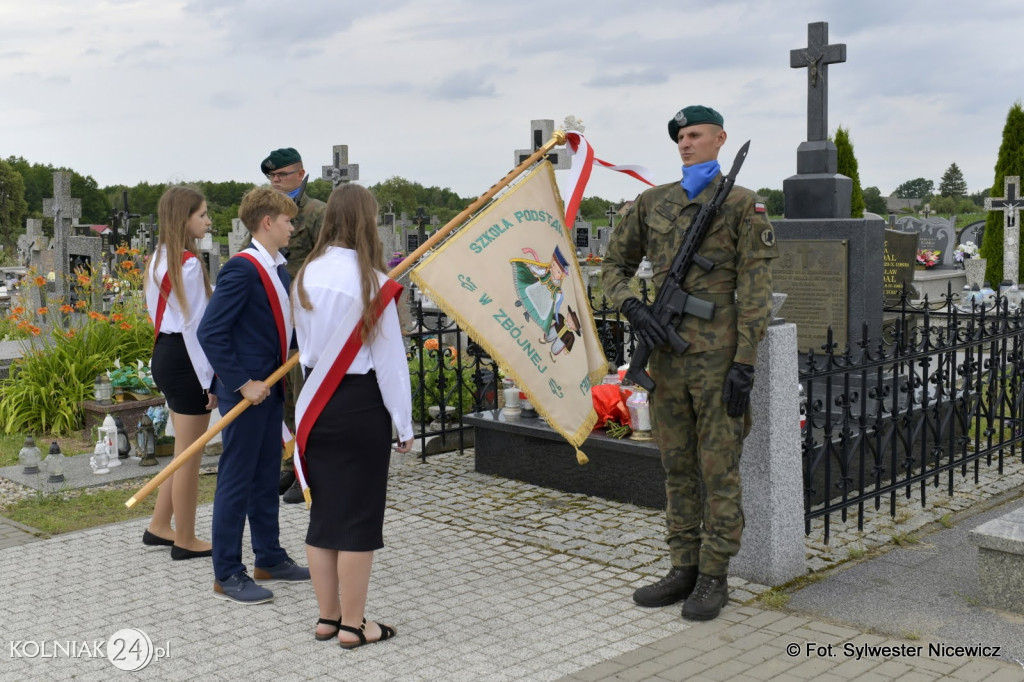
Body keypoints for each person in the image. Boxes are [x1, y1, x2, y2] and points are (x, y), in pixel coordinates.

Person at [601, 105, 777, 621]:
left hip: (719, 359)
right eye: (680, 136)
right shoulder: (652, 203)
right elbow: (614, 266)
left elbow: (756, 290)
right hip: (667, 358)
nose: (685, 143)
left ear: (720, 139)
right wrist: (632, 304)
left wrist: (745, 361)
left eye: (695, 134)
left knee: (718, 469)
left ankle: (715, 575)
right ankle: (683, 567)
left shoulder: (744, 206)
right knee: (676, 467)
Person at [292, 184, 413, 647]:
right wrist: (403, 424)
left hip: (316, 405)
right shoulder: (374, 283)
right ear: (368, 222)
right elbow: (390, 363)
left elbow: (303, 349)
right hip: (361, 405)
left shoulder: (306, 273)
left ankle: (327, 617)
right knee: (358, 519)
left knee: (323, 517)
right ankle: (355, 626)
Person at [197, 187, 311, 604]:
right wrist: (242, 382)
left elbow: (281, 327)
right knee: (236, 480)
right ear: (267, 222)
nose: (292, 228)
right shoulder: (242, 269)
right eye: (287, 221)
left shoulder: (278, 269)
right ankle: (227, 572)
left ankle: (270, 557)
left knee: (265, 477)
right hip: (247, 393)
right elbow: (212, 331)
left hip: (271, 389)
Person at [142, 186, 217, 561]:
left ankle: (160, 525)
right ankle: (186, 538)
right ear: (183, 218)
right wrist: (210, 379)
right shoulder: (186, 263)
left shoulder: (159, 257)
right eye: (202, 214)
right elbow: (197, 327)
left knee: (181, 452)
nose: (208, 220)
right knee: (190, 454)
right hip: (187, 358)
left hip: (166, 354)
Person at [260, 147, 327, 504]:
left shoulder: (317, 213)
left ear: (301, 174)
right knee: (284, 393)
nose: (276, 182)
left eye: (282, 175)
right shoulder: (268, 215)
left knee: (306, 393)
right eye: (272, 177)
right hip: (278, 315)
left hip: (308, 314)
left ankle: (311, 469)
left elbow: (329, 257)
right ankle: (290, 463)